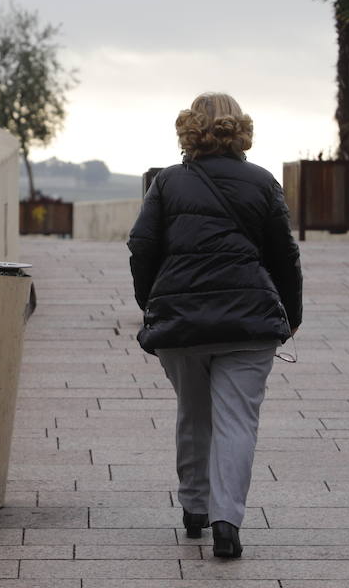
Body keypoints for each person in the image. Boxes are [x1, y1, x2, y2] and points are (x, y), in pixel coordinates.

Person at [127, 92, 302, 558]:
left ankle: (194, 506)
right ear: (239, 128)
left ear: (190, 129)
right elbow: (284, 254)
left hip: (181, 322)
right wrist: (290, 313)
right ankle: (227, 521)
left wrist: (153, 303)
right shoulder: (262, 183)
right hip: (248, 321)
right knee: (237, 420)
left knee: (193, 411)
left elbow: (141, 246)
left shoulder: (166, 184)